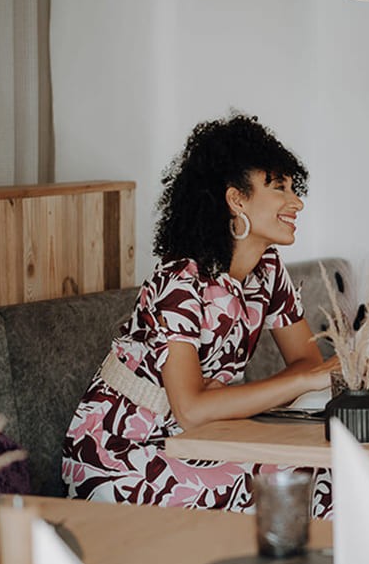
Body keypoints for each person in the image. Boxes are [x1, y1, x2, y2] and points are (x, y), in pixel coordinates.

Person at [62, 113, 338, 514]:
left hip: (201, 437)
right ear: (236, 199)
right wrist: (215, 398)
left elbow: (305, 362)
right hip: (122, 453)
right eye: (279, 188)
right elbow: (191, 408)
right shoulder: (181, 280)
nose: (295, 202)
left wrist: (223, 397)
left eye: (294, 189)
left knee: (329, 475)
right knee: (296, 489)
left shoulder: (268, 270)